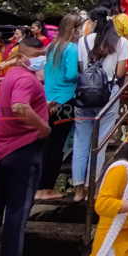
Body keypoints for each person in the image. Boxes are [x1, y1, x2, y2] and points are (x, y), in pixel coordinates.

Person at [0, 37, 50, 256]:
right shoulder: (24, 78)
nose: (42, 56)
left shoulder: (11, 75)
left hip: (3, 149)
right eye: (37, 53)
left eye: (43, 51)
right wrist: (42, 127)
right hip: (23, 150)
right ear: (22, 56)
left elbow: (10, 108)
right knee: (18, 211)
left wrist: (41, 108)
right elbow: (20, 107)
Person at [71, 8, 128, 203]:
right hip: (108, 94)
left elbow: (81, 67)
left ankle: (78, 189)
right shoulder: (121, 42)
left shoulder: (83, 41)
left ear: (94, 22)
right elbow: (120, 73)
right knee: (101, 141)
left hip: (84, 94)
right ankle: (92, 186)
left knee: (81, 139)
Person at [37, 13, 82, 201]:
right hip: (65, 100)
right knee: (58, 146)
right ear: (74, 29)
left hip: (48, 99)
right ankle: (47, 188)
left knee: (47, 145)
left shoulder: (52, 46)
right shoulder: (71, 48)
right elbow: (71, 75)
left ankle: (39, 187)